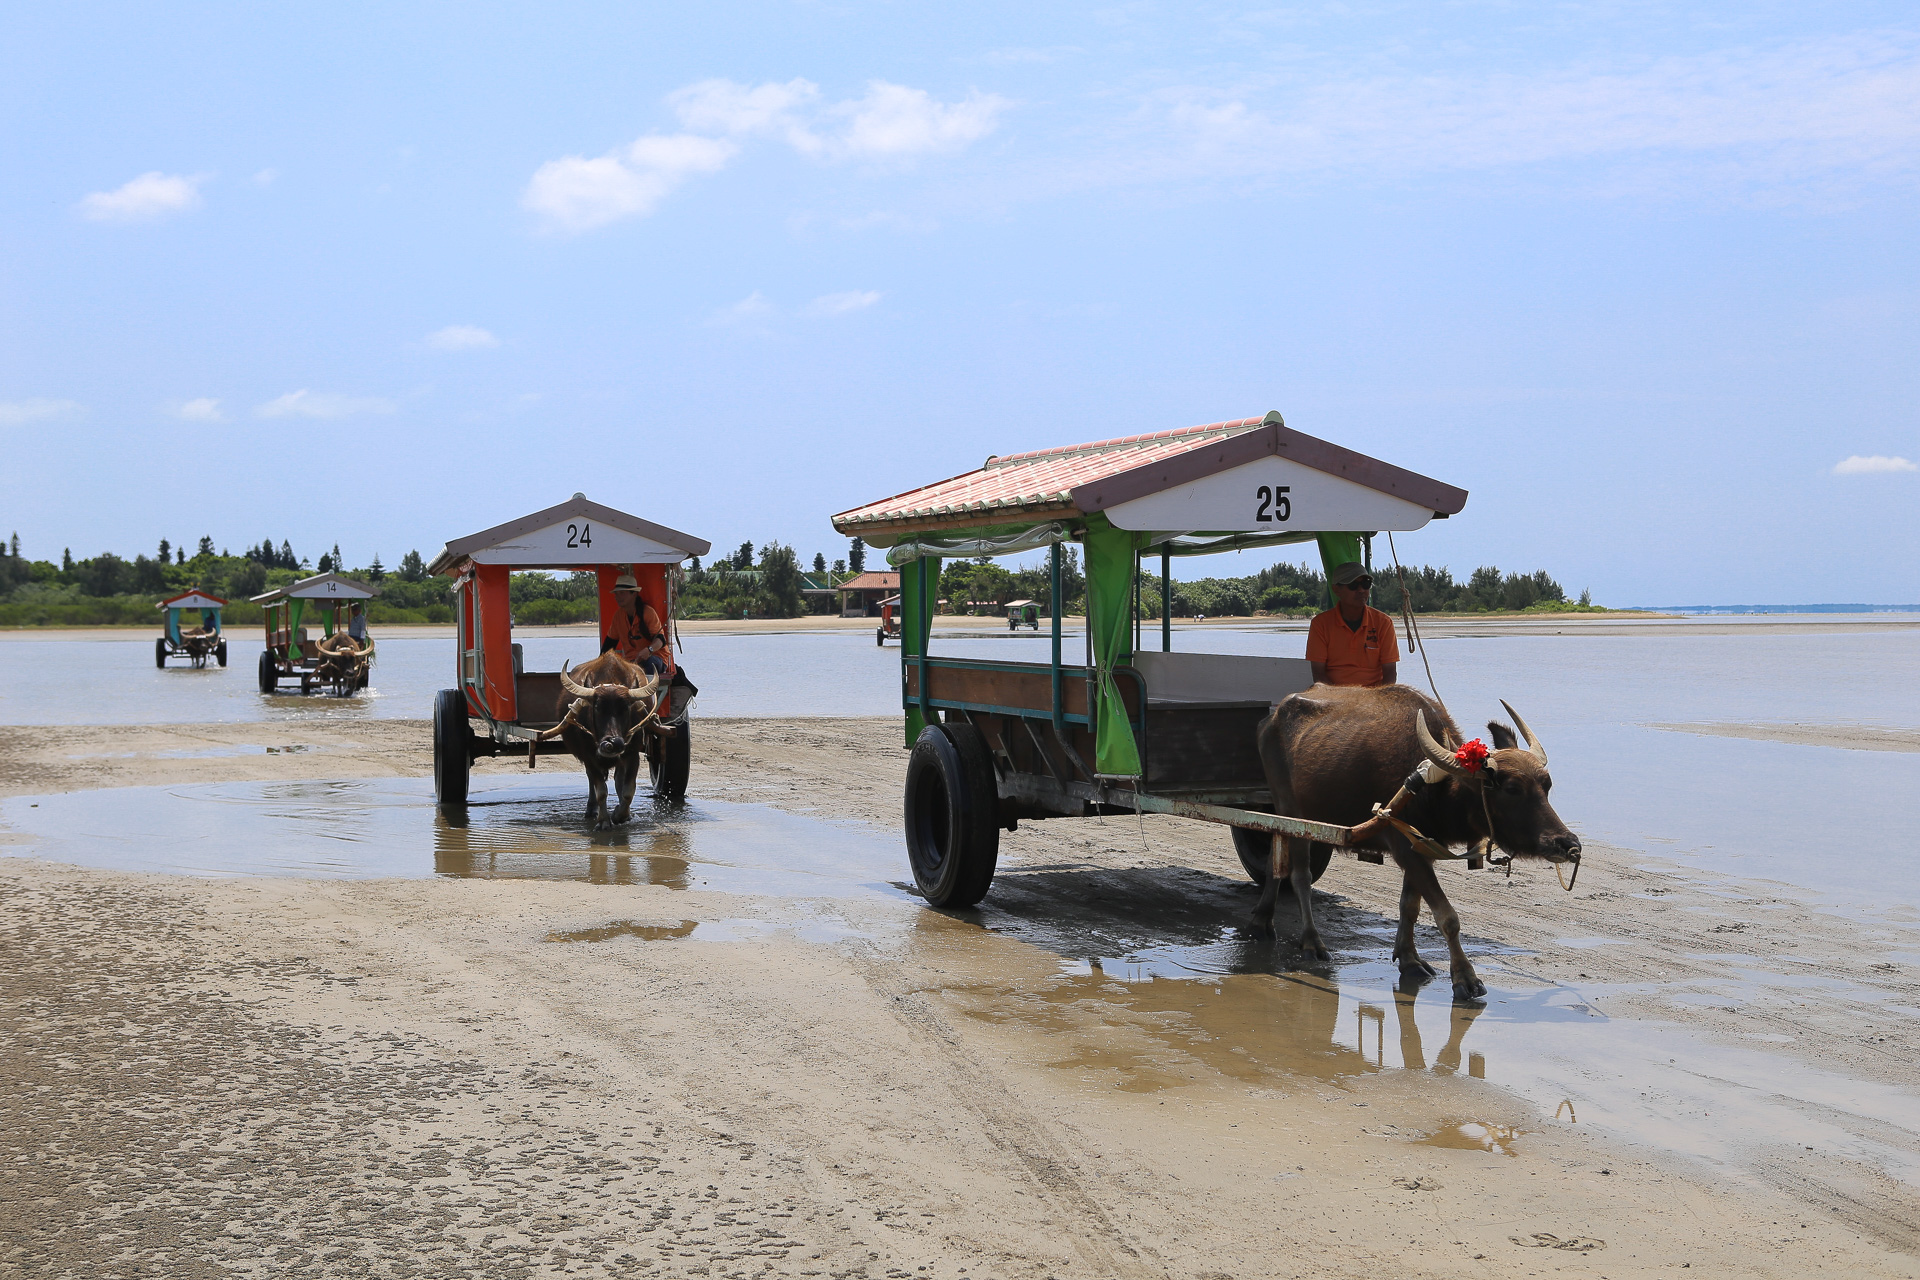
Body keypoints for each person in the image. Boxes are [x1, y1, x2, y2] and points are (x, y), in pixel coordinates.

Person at [1305, 561, 1399, 687]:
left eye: (1366, 584)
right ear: (1336, 589)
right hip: (1332, 696)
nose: (1361, 590)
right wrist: (1340, 700)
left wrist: (1378, 700)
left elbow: (1390, 674)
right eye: (1353, 585)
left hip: (1374, 696)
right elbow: (1318, 674)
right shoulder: (1320, 624)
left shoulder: (1383, 623)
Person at [605, 570, 668, 676]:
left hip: (656, 658)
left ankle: (646, 692)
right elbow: (609, 644)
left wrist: (649, 650)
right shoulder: (618, 616)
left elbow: (661, 640)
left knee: (649, 664)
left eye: (622, 593)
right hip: (631, 662)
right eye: (616, 593)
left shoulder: (648, 612)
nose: (617, 596)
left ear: (634, 594)